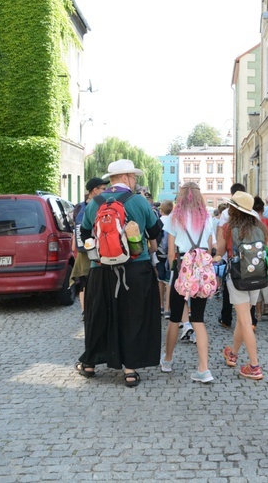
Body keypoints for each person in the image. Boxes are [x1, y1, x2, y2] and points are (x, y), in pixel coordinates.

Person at [75, 159, 162, 388]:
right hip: (135, 267)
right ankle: (130, 370)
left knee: (99, 316)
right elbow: (155, 231)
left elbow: (85, 236)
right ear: (125, 177)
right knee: (133, 316)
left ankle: (90, 364)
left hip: (101, 268)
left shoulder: (95, 202)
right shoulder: (139, 201)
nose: (135, 181)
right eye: (134, 177)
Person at [161, 181, 217, 383]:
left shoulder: (174, 218)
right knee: (199, 319)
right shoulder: (207, 218)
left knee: (175, 318)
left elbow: (169, 253)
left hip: (182, 267)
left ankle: (167, 360)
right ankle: (204, 369)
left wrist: (175, 273)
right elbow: (210, 249)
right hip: (201, 271)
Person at [213, 191, 268, 380]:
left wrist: (212, 258)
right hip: (257, 278)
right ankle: (233, 354)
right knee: (243, 318)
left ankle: (254, 366)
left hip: (237, 279)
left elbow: (220, 253)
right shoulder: (260, 227)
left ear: (234, 209)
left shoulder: (228, 229)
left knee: (245, 321)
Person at [70, 177, 108, 317]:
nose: (105, 191)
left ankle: (85, 310)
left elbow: (75, 227)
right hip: (96, 249)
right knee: (93, 280)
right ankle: (90, 310)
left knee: (83, 280)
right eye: (103, 189)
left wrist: (75, 245)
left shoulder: (79, 207)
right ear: (94, 190)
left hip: (82, 249)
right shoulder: (99, 205)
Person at [217, 183, 248, 328]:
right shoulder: (251, 213)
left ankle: (226, 318)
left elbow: (221, 240)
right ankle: (251, 320)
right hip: (250, 258)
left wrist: (217, 256)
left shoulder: (225, 214)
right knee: (250, 286)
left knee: (228, 289)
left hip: (232, 257)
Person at [156, 200, 174, 319]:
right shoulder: (173, 221)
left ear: (161, 210)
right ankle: (168, 308)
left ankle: (160, 306)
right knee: (169, 281)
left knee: (160, 280)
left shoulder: (158, 221)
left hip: (158, 254)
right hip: (170, 254)